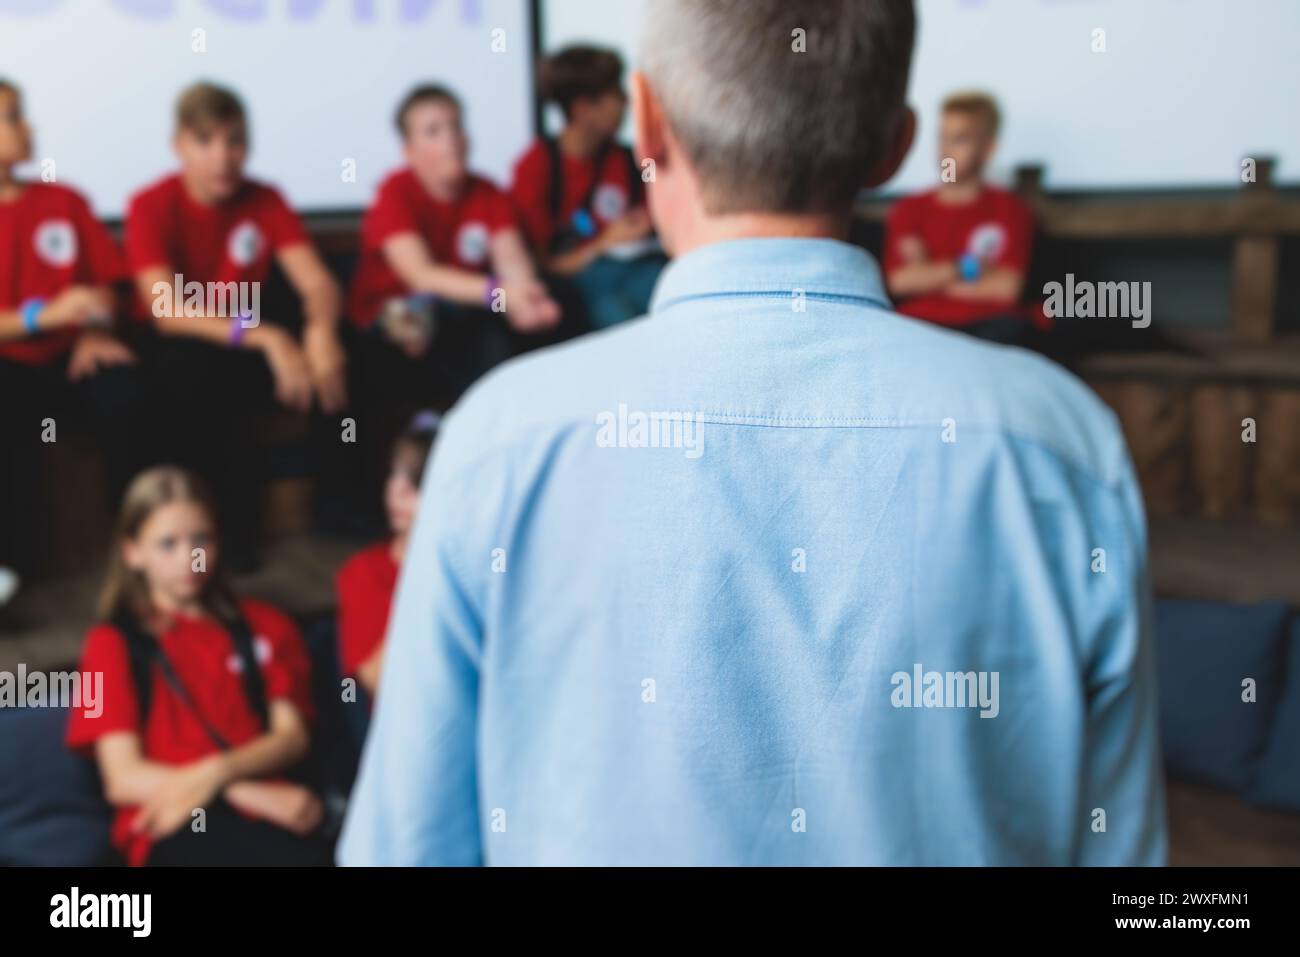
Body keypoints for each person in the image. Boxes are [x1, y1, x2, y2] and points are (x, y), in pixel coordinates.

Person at [341, 0, 1165, 866]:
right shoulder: (1063, 445)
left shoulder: (498, 442)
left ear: (648, 122)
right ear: (894, 143)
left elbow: (408, 849)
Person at [125, 82, 348, 568]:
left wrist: (321, 332)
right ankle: (210, 539)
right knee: (191, 372)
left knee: (343, 351)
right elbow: (166, 310)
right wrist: (268, 336)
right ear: (178, 145)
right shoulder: (150, 204)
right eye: (205, 141)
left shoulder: (265, 199)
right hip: (186, 345)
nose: (223, 157)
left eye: (235, 141)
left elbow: (317, 282)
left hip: (244, 338)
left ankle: (341, 519)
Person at [66, 466, 331, 866]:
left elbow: (292, 737)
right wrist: (233, 787)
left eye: (200, 539)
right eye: (167, 544)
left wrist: (219, 775)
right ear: (132, 552)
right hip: (174, 822)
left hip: (274, 818)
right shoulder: (107, 645)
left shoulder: (267, 625)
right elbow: (122, 778)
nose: (189, 558)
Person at [349, 85, 556, 513]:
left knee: (510, 339)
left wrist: (528, 296)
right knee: (427, 324)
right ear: (408, 150)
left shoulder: (487, 192)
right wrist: (502, 293)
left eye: (456, 126)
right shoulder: (395, 194)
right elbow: (419, 274)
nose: (451, 139)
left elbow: (511, 259)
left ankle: (503, 488)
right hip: (385, 322)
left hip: (461, 319)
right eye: (434, 130)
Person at [0, 78, 142, 585]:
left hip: (71, 357)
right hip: (10, 365)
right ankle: (14, 571)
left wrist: (94, 328)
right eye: (13, 116)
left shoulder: (65, 201)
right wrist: (45, 315)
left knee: (125, 390)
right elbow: (53, 309)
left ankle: (140, 545)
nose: (27, 127)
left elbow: (109, 285)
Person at [510, 45, 665, 331]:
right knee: (612, 299)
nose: (626, 103)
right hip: (586, 287)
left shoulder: (631, 160)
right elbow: (543, 265)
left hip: (640, 270)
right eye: (616, 94)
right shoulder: (536, 166)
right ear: (583, 108)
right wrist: (604, 243)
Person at [883, 91, 1040, 345]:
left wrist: (929, 275)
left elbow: (1007, 289)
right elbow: (899, 283)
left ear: (988, 149)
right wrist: (970, 267)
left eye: (960, 139)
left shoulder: (1010, 210)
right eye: (942, 138)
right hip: (918, 327)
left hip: (988, 331)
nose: (945, 150)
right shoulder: (910, 209)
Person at [335, 413, 438, 700]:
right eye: (394, 473)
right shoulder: (365, 570)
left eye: (418, 479)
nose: (396, 490)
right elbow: (375, 681)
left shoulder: (484, 564)